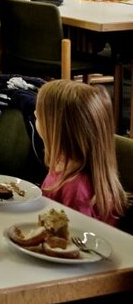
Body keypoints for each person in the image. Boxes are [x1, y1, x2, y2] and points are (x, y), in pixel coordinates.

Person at [35, 80, 130, 225]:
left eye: (39, 115)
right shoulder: (63, 163)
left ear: (60, 129)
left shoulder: (76, 189)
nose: (35, 113)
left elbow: (75, 238)